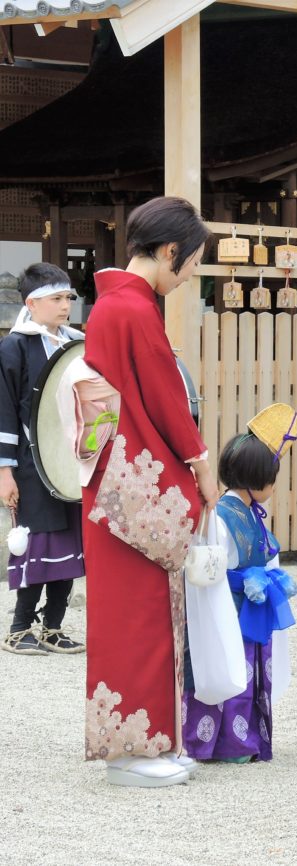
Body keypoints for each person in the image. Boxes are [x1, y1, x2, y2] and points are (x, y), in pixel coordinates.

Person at [83, 196, 217, 788]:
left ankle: (149, 739)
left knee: (140, 615)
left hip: (116, 479)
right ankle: (132, 751)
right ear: (169, 252)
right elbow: (164, 399)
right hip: (134, 486)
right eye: (189, 264)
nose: (189, 275)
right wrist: (200, 463)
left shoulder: (113, 306)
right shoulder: (134, 312)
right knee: (142, 617)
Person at [182, 406, 297, 763]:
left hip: (249, 607)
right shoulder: (222, 516)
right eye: (271, 478)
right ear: (255, 479)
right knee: (231, 670)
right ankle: (220, 744)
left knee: (246, 673)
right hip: (232, 609)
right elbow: (213, 567)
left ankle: (239, 741)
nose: (274, 486)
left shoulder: (242, 510)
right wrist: (249, 578)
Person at [0, 263, 85, 654]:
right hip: (31, 464)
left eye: (68, 297)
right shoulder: (14, 347)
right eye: (56, 298)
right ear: (32, 303)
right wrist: (5, 471)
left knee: (69, 542)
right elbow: (3, 412)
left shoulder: (75, 343)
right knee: (40, 543)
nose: (65, 304)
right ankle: (19, 628)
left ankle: (53, 627)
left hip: (69, 461)